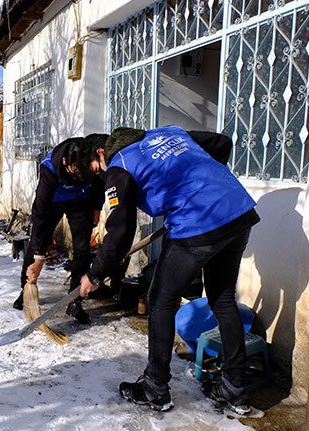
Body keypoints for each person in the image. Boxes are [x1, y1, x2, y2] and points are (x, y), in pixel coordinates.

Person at [80, 125, 260, 414]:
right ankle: (234, 389)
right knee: (223, 299)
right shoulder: (170, 133)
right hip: (236, 210)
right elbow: (222, 142)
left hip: (198, 223)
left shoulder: (119, 164)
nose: (102, 173)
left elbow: (121, 229)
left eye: (98, 167)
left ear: (103, 153)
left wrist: (96, 273)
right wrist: (204, 187)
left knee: (161, 301)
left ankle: (155, 388)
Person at [13, 136, 106, 324]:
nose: (80, 176)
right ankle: (26, 291)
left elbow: (99, 183)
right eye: (75, 172)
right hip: (53, 203)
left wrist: (97, 208)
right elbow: (39, 214)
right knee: (36, 243)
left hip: (81, 203)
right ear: (66, 163)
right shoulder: (49, 168)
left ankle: (75, 301)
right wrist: (39, 258)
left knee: (82, 249)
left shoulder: (90, 157)